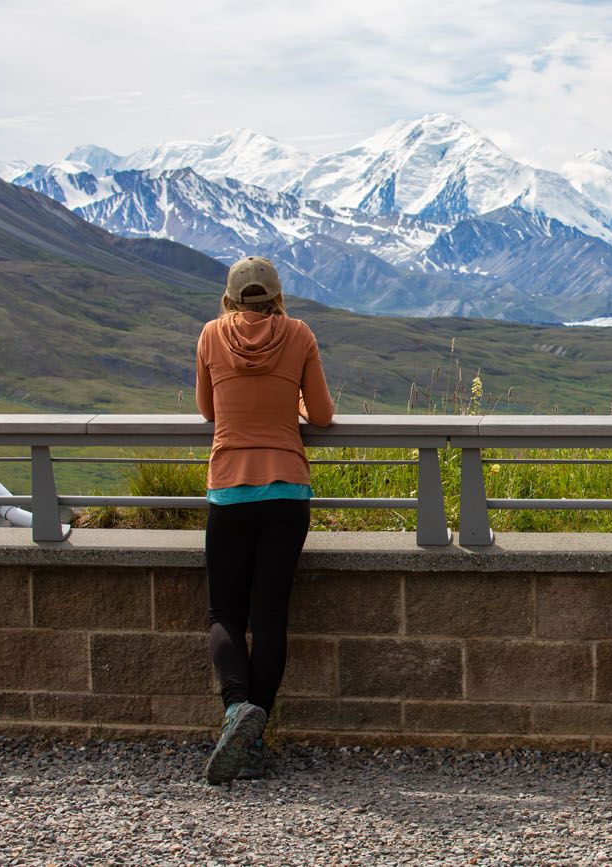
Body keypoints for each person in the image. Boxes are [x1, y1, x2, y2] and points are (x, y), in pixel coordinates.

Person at [195, 256, 334, 784]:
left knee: (225, 614)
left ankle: (235, 713)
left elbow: (209, 412)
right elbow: (321, 416)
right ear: (277, 296)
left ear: (230, 299)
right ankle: (252, 739)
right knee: (270, 618)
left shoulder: (211, 335)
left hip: (229, 490)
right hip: (287, 491)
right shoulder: (299, 335)